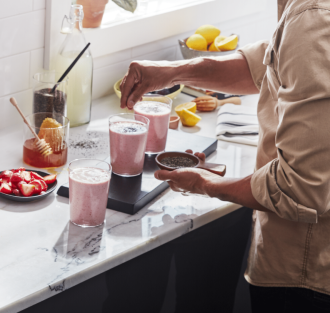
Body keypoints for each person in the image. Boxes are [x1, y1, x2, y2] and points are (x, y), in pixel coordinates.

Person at [117, 0, 330, 311]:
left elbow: (301, 187)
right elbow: (265, 65)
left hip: (306, 275)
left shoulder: (313, 18)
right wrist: (171, 72)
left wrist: (206, 184)